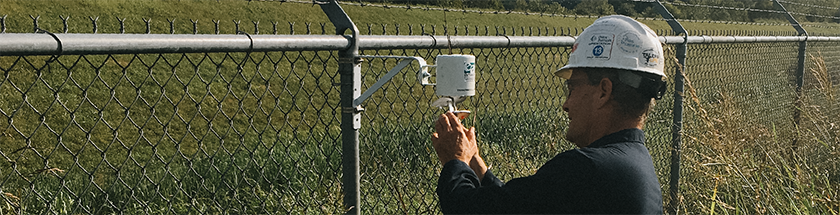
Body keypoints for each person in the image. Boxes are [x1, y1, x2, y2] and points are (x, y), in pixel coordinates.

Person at [430, 15, 667, 215]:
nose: (566, 104)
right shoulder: (631, 164)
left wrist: (455, 160)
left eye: (572, 88)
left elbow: (470, 210)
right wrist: (474, 164)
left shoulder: (585, 169)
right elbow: (518, 206)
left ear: (604, 91)